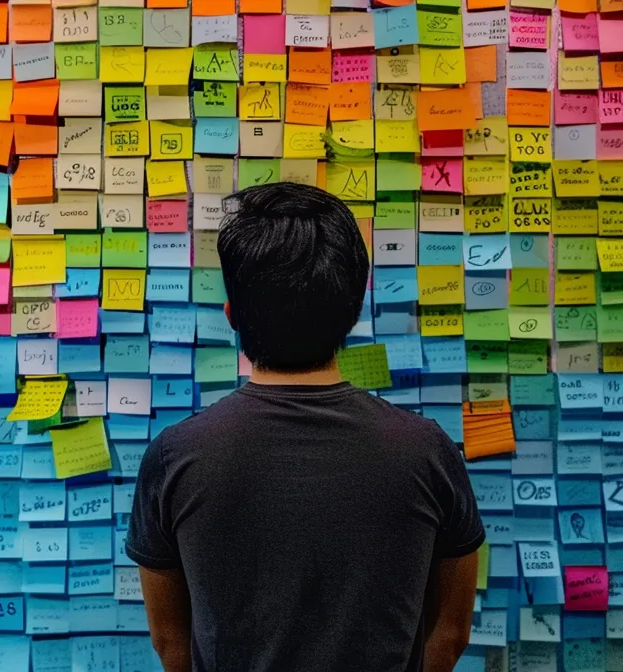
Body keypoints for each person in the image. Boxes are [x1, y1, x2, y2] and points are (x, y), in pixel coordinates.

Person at [126, 182, 486, 672]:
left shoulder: (175, 458)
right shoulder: (428, 453)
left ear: (232, 315)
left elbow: (170, 641)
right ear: (354, 310)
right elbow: (451, 634)